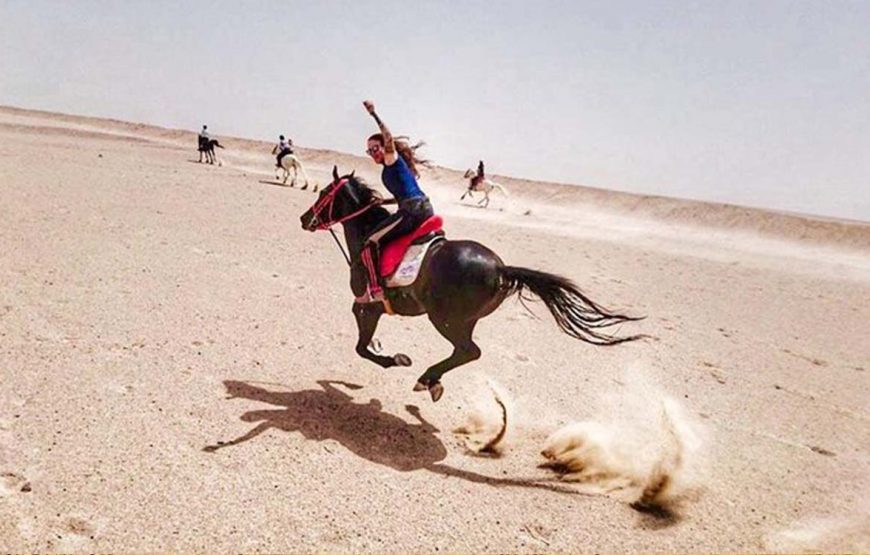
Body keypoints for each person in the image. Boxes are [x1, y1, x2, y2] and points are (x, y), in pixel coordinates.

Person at [359, 100, 434, 302]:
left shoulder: (391, 159)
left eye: (375, 148)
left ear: (384, 147)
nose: (373, 153)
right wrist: (382, 202)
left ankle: (376, 290)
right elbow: (403, 194)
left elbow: (388, 137)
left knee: (370, 242)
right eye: (369, 151)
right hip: (422, 207)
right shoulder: (391, 168)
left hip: (411, 211)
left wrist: (374, 114)